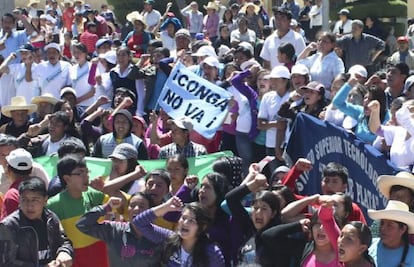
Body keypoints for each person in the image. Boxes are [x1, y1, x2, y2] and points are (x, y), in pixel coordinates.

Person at [47, 154, 111, 267]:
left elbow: (116, 208)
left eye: (87, 172)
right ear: (67, 178)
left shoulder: (94, 195)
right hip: (74, 259)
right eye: (80, 173)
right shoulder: (53, 205)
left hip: (99, 255)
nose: (86, 176)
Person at [0, 177, 74, 266]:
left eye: (35, 200)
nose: (30, 205)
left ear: (45, 200)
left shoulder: (51, 218)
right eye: (25, 199)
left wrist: (64, 252)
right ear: (19, 200)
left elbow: (64, 241)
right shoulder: (9, 226)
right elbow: (5, 262)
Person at [133, 196, 226, 266]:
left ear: (203, 227)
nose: (185, 223)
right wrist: (166, 207)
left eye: (191, 220)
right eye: (183, 218)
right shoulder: (168, 238)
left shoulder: (212, 252)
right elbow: (139, 222)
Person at [76, 194, 163, 266]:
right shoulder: (113, 230)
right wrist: (106, 208)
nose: (136, 209)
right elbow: (82, 224)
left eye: (142, 206)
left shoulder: (161, 236)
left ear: (151, 212)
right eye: (132, 205)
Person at [225, 170, 281, 266]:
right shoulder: (249, 228)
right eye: (255, 208)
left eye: (264, 208)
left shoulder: (278, 236)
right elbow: (230, 198)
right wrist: (255, 183)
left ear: (273, 213)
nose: (259, 212)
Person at [332, 74, 389, 144]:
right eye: (365, 98)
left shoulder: (388, 118)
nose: (366, 101)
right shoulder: (360, 112)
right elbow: (337, 103)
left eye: (371, 99)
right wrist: (349, 84)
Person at [368, 200, 414, 267]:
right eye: (382, 223)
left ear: (403, 229)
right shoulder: (369, 246)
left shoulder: (412, 256)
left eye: (390, 225)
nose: (383, 228)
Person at [0, 148, 34, 220]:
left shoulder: (12, 195)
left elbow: (6, 227)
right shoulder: (40, 189)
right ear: (31, 170)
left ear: (8, 169)